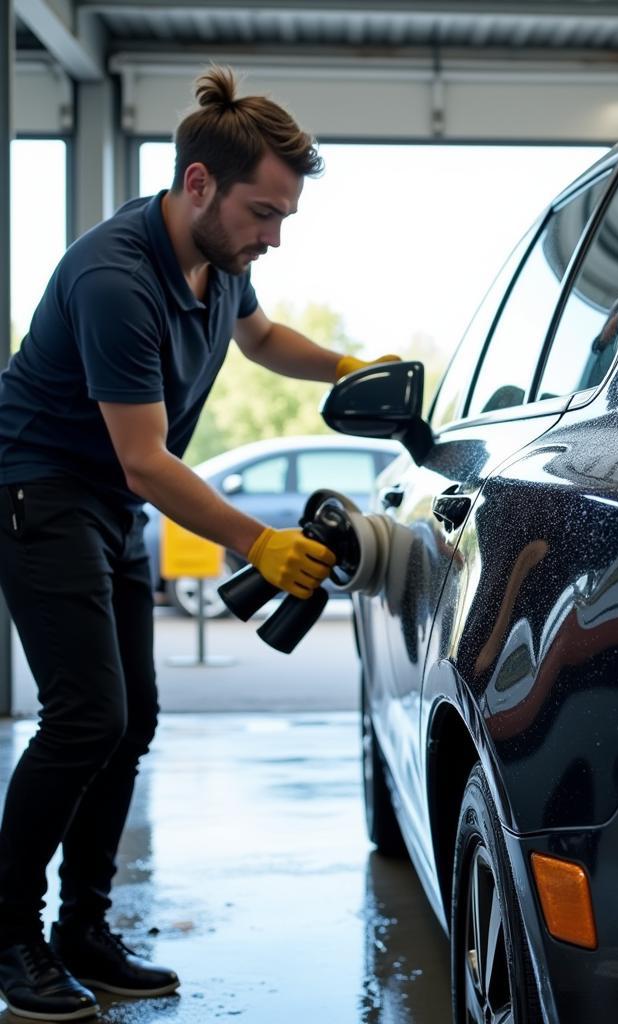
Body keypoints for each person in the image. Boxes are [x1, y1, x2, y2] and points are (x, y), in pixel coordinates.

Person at [0, 66, 396, 1021]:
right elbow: (143, 459)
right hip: (39, 492)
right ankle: (10, 934)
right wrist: (256, 542)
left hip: (106, 504)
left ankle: (82, 930)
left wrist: (350, 365)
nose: (273, 236)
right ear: (197, 186)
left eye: (285, 218)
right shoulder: (114, 281)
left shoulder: (222, 264)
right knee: (86, 716)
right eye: (265, 213)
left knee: (130, 720)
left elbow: (261, 344)